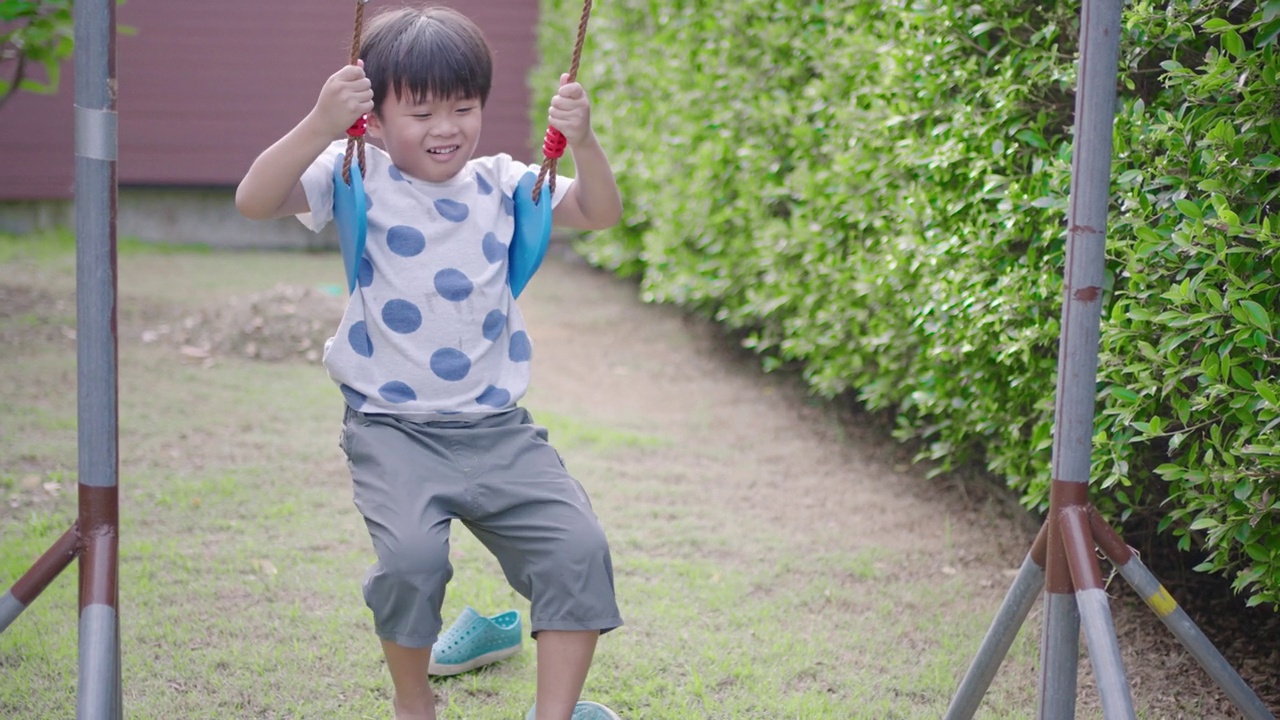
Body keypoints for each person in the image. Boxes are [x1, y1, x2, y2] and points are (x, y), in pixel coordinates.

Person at [235, 6, 624, 720]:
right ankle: (413, 703)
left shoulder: (505, 184)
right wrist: (321, 122)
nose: (447, 128)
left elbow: (600, 212)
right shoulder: (357, 174)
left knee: (579, 547)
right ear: (375, 118)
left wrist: (585, 143)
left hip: (496, 428)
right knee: (412, 562)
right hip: (392, 429)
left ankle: (554, 715)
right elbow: (253, 199)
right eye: (421, 112)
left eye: (463, 108)